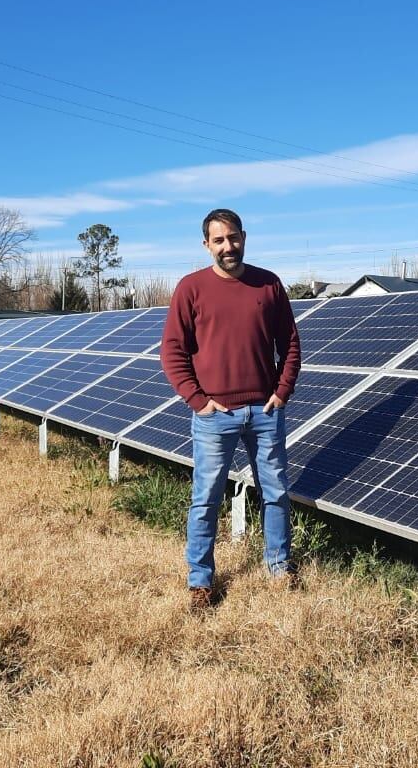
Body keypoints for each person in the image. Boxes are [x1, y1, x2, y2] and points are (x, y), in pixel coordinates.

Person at [160, 208, 302, 610]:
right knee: (206, 498)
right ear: (206, 244)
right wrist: (198, 400)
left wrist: (282, 391)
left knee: (275, 493)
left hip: (265, 411)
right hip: (214, 417)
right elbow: (172, 351)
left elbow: (289, 344)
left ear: (244, 237)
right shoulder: (191, 288)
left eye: (233, 238)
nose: (228, 246)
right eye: (218, 240)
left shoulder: (268, 285)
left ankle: (279, 567)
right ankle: (201, 582)